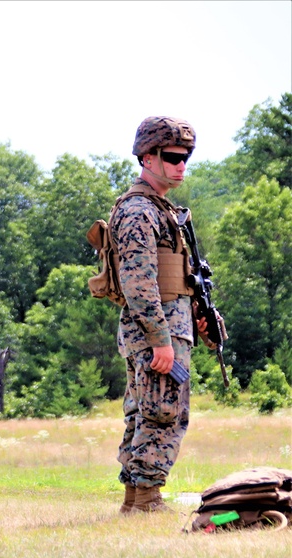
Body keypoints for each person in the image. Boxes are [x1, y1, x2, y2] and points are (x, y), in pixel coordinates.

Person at [112, 116, 217, 513]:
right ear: (146, 157)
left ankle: (136, 501)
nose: (181, 165)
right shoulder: (140, 210)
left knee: (148, 413)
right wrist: (161, 339)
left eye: (185, 157)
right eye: (172, 156)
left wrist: (200, 320)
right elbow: (139, 283)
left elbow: (178, 278)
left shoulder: (162, 210)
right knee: (162, 413)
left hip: (168, 327)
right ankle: (146, 500)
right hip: (157, 334)